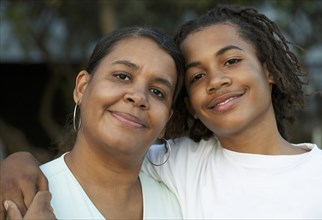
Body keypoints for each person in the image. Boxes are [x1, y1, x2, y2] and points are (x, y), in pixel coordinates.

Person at [1, 3, 322, 219]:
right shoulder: (181, 163)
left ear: (269, 70)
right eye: (197, 76)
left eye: (231, 60)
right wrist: (16, 164)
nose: (216, 81)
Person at [0, 26, 185, 219]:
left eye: (158, 92)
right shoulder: (24, 198)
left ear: (166, 122)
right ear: (82, 88)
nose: (138, 97)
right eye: (122, 76)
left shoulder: (182, 203)